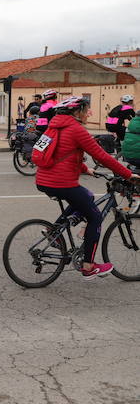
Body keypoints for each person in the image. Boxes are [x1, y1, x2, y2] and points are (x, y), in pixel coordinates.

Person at [34, 96, 139, 280]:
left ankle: (54, 231)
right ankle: (89, 266)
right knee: (95, 217)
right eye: (86, 109)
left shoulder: (53, 126)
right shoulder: (76, 130)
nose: (87, 113)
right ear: (77, 111)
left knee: (87, 196)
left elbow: (63, 153)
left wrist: (85, 169)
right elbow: (102, 156)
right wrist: (128, 174)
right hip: (62, 182)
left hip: (43, 180)